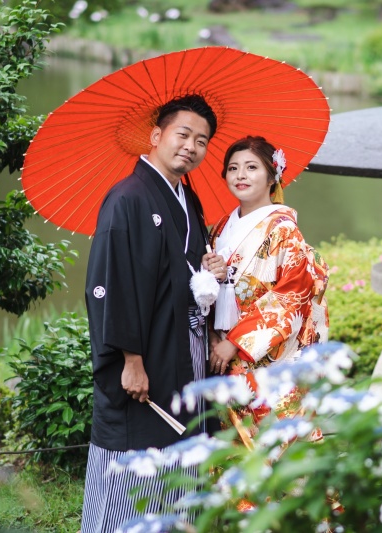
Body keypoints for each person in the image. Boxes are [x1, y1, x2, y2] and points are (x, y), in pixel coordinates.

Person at [81, 95, 227, 533]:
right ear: (156, 135)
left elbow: (181, 269)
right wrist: (130, 360)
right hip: (146, 355)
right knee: (139, 451)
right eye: (183, 134)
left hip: (184, 350)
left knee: (183, 444)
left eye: (201, 141)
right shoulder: (126, 198)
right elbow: (109, 283)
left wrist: (208, 270)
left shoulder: (189, 200)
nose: (191, 147)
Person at [208, 135, 329, 431]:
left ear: (272, 175)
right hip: (220, 344)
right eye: (233, 168)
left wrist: (236, 343)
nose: (241, 175)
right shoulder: (222, 226)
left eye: (251, 167)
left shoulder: (283, 229)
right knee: (227, 440)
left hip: (257, 353)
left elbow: (292, 293)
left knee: (265, 438)